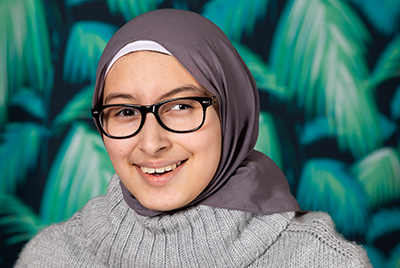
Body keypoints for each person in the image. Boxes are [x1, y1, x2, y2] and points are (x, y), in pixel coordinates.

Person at [15, 9, 371, 267]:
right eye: (125, 112)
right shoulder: (52, 257)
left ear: (231, 113)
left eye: (181, 106)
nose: (151, 143)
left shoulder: (322, 261)